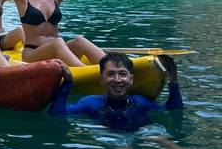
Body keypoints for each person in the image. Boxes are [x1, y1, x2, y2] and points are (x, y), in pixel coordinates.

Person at [49, 52, 183, 131]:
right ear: (101, 79)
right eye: (111, 74)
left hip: (143, 132)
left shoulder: (140, 102)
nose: (117, 80)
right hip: (110, 136)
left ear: (131, 79)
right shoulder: (90, 102)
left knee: (163, 140)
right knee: (123, 146)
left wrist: (174, 81)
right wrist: (67, 84)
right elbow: (58, 114)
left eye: (123, 74)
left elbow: (173, 110)